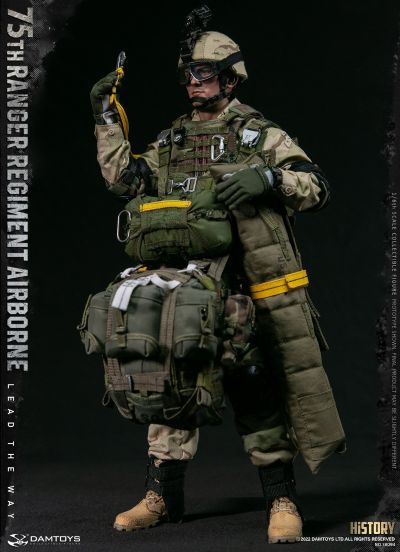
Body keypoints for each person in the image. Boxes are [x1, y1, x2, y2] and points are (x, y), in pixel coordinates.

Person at [89, 6, 345, 544]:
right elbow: (126, 182)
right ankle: (162, 495)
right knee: (169, 380)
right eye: (187, 75)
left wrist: (269, 178)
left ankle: (280, 498)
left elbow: (316, 186)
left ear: (230, 79)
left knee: (256, 389)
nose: (193, 84)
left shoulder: (258, 135)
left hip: (242, 291)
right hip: (181, 293)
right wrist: (107, 120)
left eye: (203, 74)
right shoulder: (173, 140)